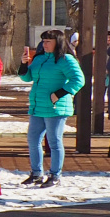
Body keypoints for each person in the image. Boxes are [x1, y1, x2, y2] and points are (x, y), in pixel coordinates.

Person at [18, 30, 85, 188]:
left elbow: (79, 79)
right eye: (44, 41)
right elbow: (27, 77)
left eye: (48, 41)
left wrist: (59, 93)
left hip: (56, 108)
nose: (45, 44)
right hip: (38, 106)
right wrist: (23, 64)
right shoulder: (39, 58)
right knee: (33, 140)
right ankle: (36, 173)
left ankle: (55, 175)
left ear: (58, 42)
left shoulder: (65, 59)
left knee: (54, 142)